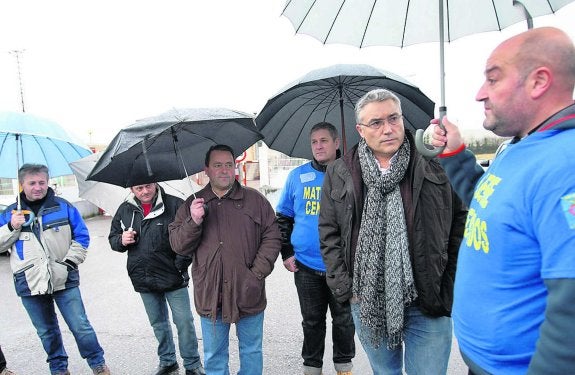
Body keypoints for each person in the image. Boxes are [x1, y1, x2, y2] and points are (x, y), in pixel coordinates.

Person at [430, 27, 575, 374]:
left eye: (493, 79)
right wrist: (455, 154)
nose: (481, 93)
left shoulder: (565, 165)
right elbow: (491, 203)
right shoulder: (521, 146)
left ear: (539, 82)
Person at [319, 89, 467, 375]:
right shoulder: (340, 172)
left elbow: (460, 223)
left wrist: (449, 283)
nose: (388, 129)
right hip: (368, 299)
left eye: (394, 118)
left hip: (428, 298)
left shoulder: (432, 162)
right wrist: (346, 289)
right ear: (361, 130)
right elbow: (329, 233)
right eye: (376, 123)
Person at [168, 144, 281, 375]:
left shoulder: (255, 200)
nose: (224, 170)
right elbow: (178, 245)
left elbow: (272, 235)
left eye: (229, 165)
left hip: (248, 290)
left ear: (235, 168)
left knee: (251, 351)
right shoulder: (193, 204)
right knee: (214, 356)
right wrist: (194, 221)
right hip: (211, 293)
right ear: (207, 170)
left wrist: (256, 274)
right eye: (217, 165)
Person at [0, 164, 111, 375]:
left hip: (64, 278)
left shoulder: (64, 207)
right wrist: (11, 227)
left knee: (80, 326)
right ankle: (59, 369)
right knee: (47, 332)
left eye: (42, 182)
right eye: (32, 183)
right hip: (29, 282)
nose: (38, 187)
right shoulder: (9, 213)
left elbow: (81, 237)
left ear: (48, 182)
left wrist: (68, 264)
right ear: (22, 185)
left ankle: (98, 365)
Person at [276, 122, 354, 375]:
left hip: (341, 265)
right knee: (312, 322)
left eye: (324, 140)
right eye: (314, 142)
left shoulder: (352, 174)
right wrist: (286, 252)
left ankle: (344, 366)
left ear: (337, 143)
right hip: (306, 266)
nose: (318, 146)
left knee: (344, 320)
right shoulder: (297, 176)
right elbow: (284, 217)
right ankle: (312, 367)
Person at [108, 183, 204, 375]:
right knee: (158, 323)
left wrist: (180, 264)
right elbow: (113, 238)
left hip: (173, 276)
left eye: (148, 186)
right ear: (131, 190)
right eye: (138, 188)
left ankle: (192, 364)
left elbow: (188, 238)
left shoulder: (175, 205)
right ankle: (167, 361)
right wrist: (121, 240)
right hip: (143, 277)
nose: (144, 192)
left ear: (155, 184)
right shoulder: (125, 209)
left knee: (184, 321)